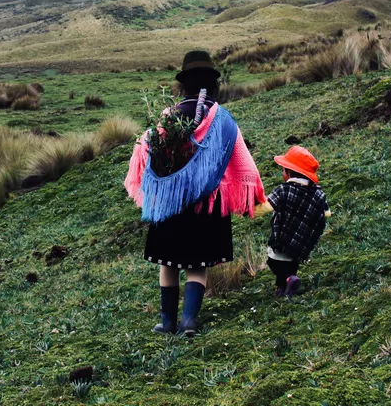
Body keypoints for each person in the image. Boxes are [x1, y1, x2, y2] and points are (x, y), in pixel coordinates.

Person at [125, 50, 266, 336]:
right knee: (196, 266)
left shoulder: (169, 117)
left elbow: (145, 150)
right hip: (207, 206)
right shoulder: (223, 121)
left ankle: (167, 323)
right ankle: (189, 321)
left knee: (168, 263)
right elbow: (241, 161)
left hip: (171, 205)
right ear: (211, 84)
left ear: (184, 85)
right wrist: (254, 195)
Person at [266, 146, 330, 296]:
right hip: (302, 242)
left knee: (273, 261)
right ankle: (283, 287)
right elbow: (326, 212)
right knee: (292, 263)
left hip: (282, 239)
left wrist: (251, 208)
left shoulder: (283, 189)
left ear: (290, 172)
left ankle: (288, 279)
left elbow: (267, 206)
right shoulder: (318, 193)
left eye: (283, 170)